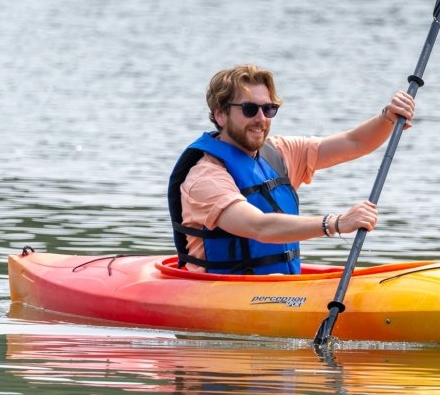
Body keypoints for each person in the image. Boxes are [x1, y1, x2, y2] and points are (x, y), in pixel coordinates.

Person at [168, 64, 415, 275]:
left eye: (269, 109)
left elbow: (354, 143)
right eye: (249, 109)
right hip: (221, 294)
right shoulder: (205, 177)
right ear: (220, 115)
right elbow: (259, 227)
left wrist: (388, 118)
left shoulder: (278, 153)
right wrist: (336, 223)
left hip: (279, 291)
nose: (261, 118)